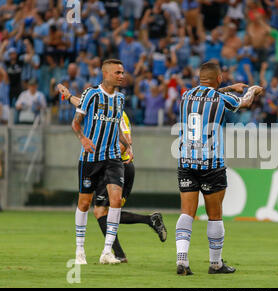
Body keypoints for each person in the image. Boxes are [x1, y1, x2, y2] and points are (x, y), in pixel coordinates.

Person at [57, 83, 167, 263]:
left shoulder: (117, 111)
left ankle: (122, 247)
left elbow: (126, 140)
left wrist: (114, 150)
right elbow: (83, 104)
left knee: (102, 211)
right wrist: (69, 96)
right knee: (102, 211)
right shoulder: (98, 108)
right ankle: (121, 250)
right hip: (109, 163)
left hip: (119, 164)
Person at [175, 61, 263, 275]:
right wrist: (252, 89)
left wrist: (230, 87)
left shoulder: (186, 95)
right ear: (219, 78)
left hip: (186, 161)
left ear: (200, 77)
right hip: (211, 163)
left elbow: (209, 94)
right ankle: (215, 264)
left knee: (187, 212)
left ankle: (182, 260)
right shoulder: (220, 98)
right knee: (215, 215)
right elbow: (245, 103)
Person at [71, 59, 133, 265]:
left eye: (122, 72)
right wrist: (83, 139)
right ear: (105, 74)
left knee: (115, 201)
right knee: (84, 203)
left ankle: (107, 252)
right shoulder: (91, 95)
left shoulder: (120, 99)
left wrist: (127, 145)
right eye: (117, 72)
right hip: (90, 159)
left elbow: (115, 126)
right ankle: (80, 250)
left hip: (113, 157)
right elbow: (76, 123)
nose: (121, 76)